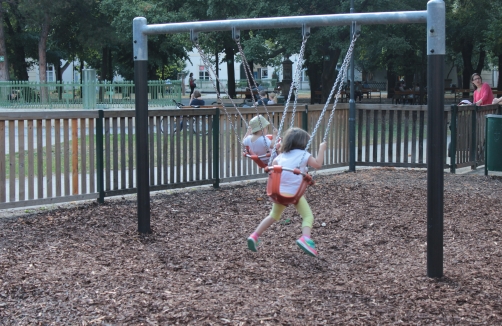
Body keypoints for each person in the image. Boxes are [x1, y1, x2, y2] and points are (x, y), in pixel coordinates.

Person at [247, 127, 327, 257]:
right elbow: (317, 164)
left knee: (273, 216)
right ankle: (305, 239)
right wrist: (322, 149)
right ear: (303, 143)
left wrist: (278, 150)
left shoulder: (281, 156)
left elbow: (274, 166)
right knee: (308, 217)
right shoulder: (304, 155)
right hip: (294, 194)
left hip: (278, 192)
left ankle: (254, 236)